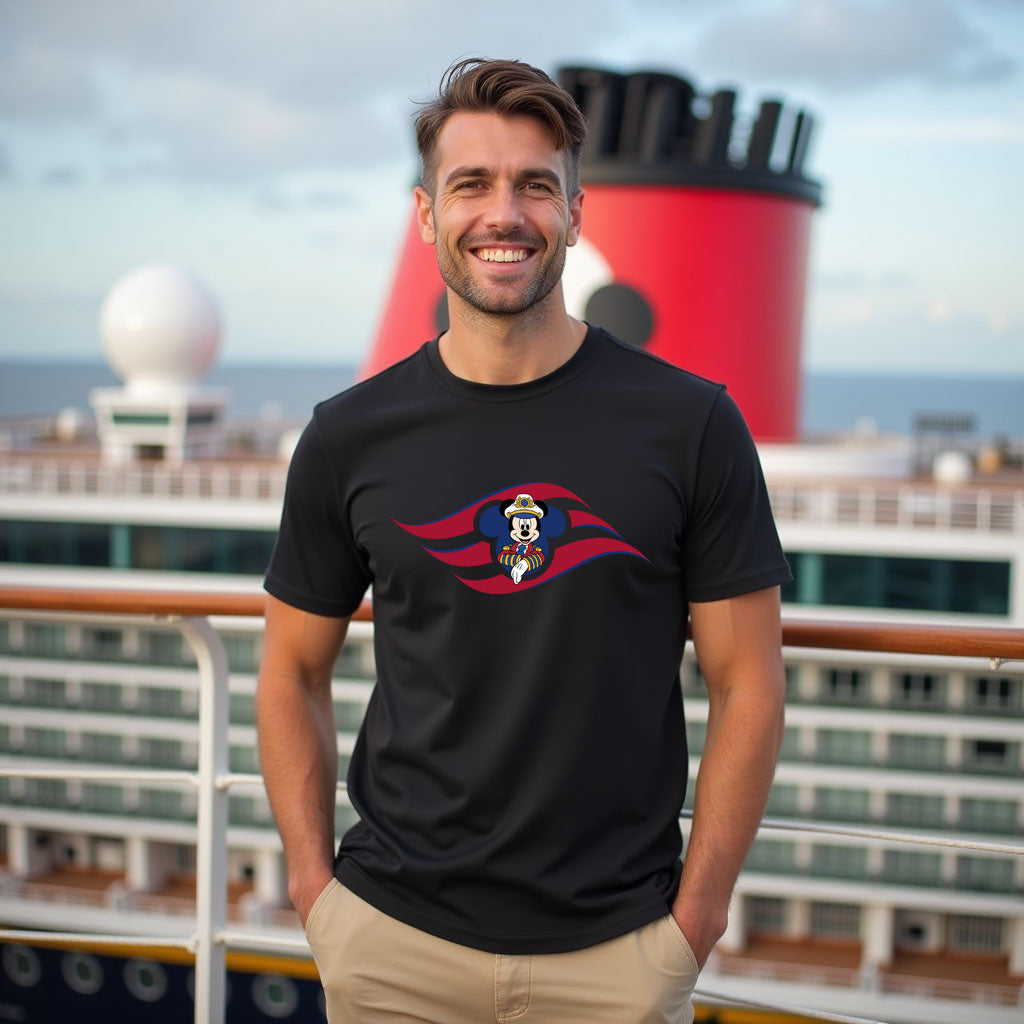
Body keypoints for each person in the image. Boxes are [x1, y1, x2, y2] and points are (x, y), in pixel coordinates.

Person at [257, 56, 789, 1024]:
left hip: (616, 953)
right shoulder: (348, 434)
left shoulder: (690, 422)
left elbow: (748, 678)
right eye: (471, 184)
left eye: (535, 185)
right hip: (391, 939)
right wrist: (312, 886)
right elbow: (291, 667)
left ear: (578, 214)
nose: (503, 212)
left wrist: (696, 915)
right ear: (426, 214)